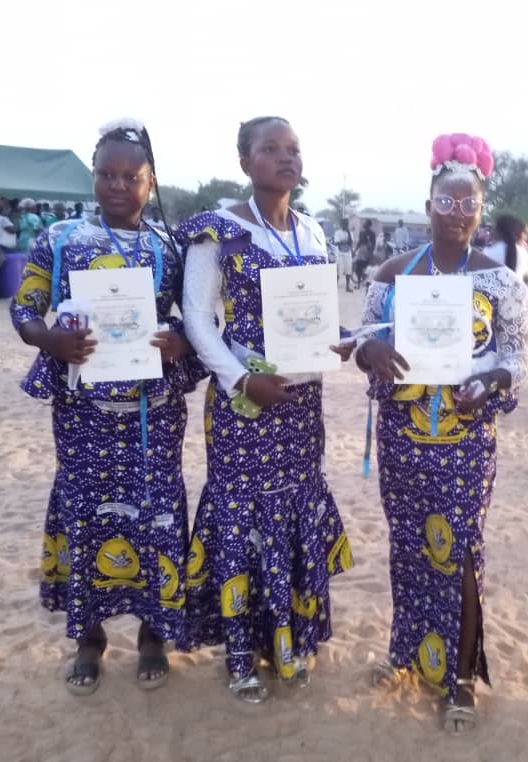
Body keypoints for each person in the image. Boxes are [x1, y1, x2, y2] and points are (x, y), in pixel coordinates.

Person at [10, 118, 203, 696]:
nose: (117, 185)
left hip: (154, 411)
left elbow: (198, 318)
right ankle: (89, 638)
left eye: (131, 176)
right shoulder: (60, 239)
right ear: (92, 177)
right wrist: (50, 341)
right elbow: (24, 310)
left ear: (151, 181)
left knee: (156, 513)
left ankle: (153, 633)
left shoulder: (170, 247)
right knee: (86, 513)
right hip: (83, 413)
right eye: (106, 174)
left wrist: (179, 341)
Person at [356, 133, 528, 735]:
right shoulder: (392, 272)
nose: (457, 214)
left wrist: (491, 380)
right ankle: (407, 653)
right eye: (446, 202)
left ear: (481, 211)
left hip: (466, 439)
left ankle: (459, 677)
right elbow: (363, 341)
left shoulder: (500, 281)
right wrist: (372, 351)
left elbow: (519, 357)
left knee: (458, 552)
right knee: (408, 546)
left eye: (469, 204)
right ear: (428, 205)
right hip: (403, 439)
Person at [176, 116, 353, 703]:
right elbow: (198, 319)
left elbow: (319, 315)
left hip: (301, 404)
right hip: (243, 406)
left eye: (293, 149)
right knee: (242, 519)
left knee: (293, 511)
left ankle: (288, 644)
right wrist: (240, 380)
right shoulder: (218, 231)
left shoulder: (313, 232)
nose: (285, 158)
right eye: (270, 149)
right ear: (245, 162)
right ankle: (241, 655)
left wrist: (343, 340)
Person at [485, 214, 528, 281]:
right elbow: (527, 276)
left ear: (498, 231)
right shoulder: (524, 253)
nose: (491, 231)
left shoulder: (488, 252)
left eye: (493, 228)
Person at [354, 218, 376, 287]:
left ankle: (365, 282)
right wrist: (355, 250)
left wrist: (371, 253)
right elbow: (359, 242)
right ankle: (359, 283)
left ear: (368, 225)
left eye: (365, 223)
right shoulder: (361, 232)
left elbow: (373, 244)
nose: (363, 224)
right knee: (358, 268)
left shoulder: (372, 234)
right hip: (361, 251)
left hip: (367, 251)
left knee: (366, 268)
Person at [334, 218, 354, 292]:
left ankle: (347, 287)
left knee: (348, 270)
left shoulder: (350, 233)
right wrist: (345, 242)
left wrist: (348, 233)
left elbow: (351, 243)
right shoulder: (337, 232)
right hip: (340, 254)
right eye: (343, 224)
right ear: (341, 224)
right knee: (338, 270)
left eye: (346, 224)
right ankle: (335, 286)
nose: (345, 225)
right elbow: (337, 242)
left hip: (348, 253)